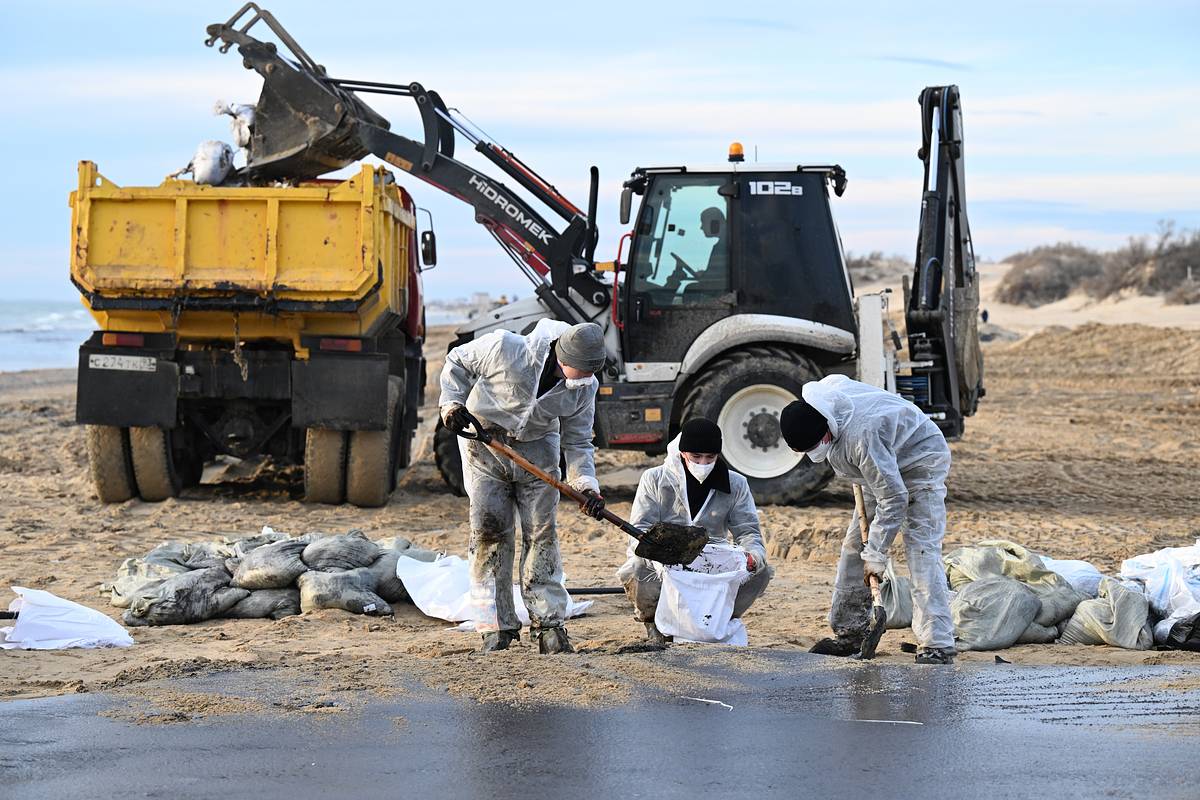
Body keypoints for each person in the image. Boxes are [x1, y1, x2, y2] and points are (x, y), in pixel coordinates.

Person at [440, 319, 607, 654]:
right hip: (483, 444)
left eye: (591, 373)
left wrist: (585, 484)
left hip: (538, 448)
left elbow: (578, 441)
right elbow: (456, 361)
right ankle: (495, 627)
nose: (585, 381)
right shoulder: (505, 348)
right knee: (490, 532)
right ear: (562, 358)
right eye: (580, 371)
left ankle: (549, 624)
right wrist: (452, 404)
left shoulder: (585, 387)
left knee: (542, 533)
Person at [779, 375, 955, 664]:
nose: (813, 454)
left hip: (919, 460)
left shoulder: (862, 436)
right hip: (878, 464)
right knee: (852, 546)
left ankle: (937, 643)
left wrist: (876, 553)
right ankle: (851, 631)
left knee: (921, 550)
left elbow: (895, 497)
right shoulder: (824, 399)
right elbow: (880, 481)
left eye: (814, 446)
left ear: (827, 429)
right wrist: (866, 547)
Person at [617, 418, 772, 643]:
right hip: (665, 558)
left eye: (710, 457)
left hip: (711, 560)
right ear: (682, 453)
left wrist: (753, 556)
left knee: (761, 571)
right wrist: (659, 556)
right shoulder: (655, 479)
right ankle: (653, 625)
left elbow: (748, 530)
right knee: (640, 565)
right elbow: (639, 529)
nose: (703, 463)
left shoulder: (735, 484)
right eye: (696, 457)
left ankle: (720, 618)